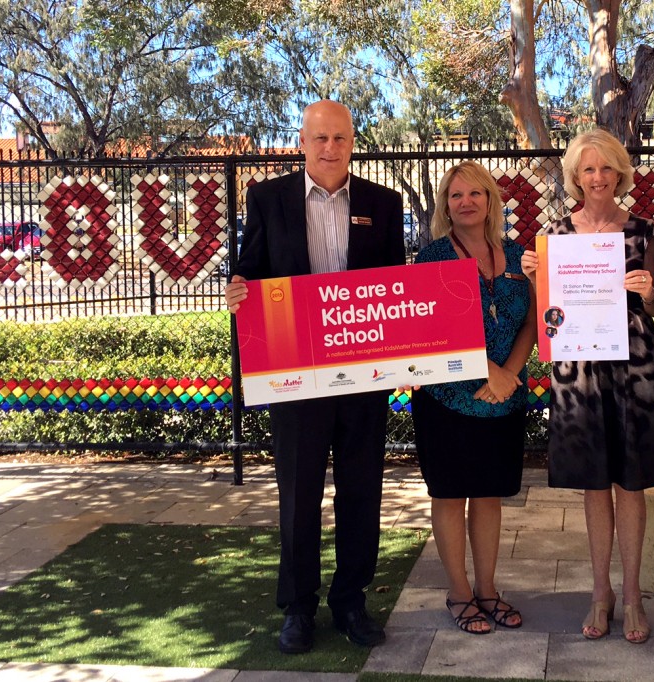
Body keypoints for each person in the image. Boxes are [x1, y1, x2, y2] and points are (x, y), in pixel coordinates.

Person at [224, 100, 405, 654]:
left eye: (341, 139)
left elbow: (396, 285)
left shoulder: (384, 203)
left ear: (354, 142)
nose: (330, 149)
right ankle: (298, 607)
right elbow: (249, 269)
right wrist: (236, 289)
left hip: (362, 376)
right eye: (320, 138)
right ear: (301, 141)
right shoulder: (267, 199)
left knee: (361, 490)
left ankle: (351, 601)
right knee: (298, 493)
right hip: (295, 375)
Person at [521, 130, 654, 644]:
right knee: (594, 482)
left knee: (631, 482)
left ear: (621, 173)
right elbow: (547, 314)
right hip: (579, 370)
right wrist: (531, 276)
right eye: (589, 169)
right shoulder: (556, 237)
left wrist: (651, 291)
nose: (599, 177)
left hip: (634, 366)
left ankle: (632, 596)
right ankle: (599, 593)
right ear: (575, 177)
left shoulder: (643, 230)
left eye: (607, 168)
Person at [411, 160, 536, 635]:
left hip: (503, 399)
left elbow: (531, 321)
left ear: (490, 201)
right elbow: (434, 332)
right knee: (449, 495)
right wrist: (489, 371)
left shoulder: (521, 256)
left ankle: (487, 590)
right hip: (447, 399)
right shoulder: (432, 259)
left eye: (475, 194)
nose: (466, 202)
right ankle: (459, 593)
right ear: (446, 204)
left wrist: (509, 374)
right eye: (456, 195)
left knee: (488, 496)